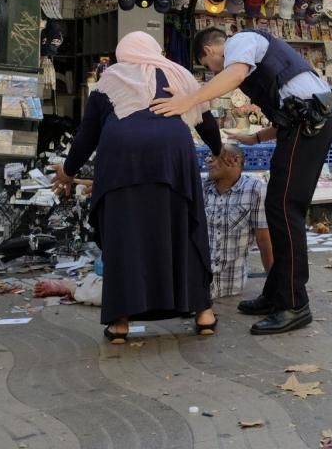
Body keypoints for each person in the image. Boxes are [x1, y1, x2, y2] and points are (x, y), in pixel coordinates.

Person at [152, 27, 332, 335]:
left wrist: (190, 99)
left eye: (208, 67)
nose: (214, 72)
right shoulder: (257, 61)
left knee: (284, 208)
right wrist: (257, 137)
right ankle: (277, 293)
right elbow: (290, 105)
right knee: (279, 208)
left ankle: (294, 304)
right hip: (304, 122)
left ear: (210, 52)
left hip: (310, 124)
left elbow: (236, 74)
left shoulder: (241, 42)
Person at [53, 31, 216, 344]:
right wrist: (220, 150)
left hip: (122, 159)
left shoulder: (111, 78)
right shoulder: (178, 73)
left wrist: (68, 172)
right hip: (173, 159)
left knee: (124, 236)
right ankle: (203, 314)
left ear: (122, 53)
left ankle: (120, 324)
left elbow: (88, 134)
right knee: (183, 229)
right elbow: (206, 122)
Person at [205, 146, 273, 300]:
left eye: (214, 156)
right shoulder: (203, 187)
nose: (208, 160)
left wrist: (274, 285)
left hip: (231, 287)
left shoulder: (255, 190)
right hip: (197, 286)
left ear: (235, 160)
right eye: (208, 157)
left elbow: (263, 240)